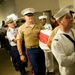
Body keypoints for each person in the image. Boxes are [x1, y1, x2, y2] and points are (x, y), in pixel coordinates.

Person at [17, 8, 46, 75]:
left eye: (31, 15)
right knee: (36, 69)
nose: (30, 17)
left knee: (42, 68)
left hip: (41, 49)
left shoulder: (39, 26)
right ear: (24, 17)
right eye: (28, 16)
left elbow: (45, 34)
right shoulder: (21, 28)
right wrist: (21, 54)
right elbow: (19, 42)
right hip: (31, 51)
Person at [48, 5, 75, 75]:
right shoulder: (57, 41)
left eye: (71, 17)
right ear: (60, 22)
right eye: (68, 18)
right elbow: (63, 62)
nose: (72, 19)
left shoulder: (73, 31)